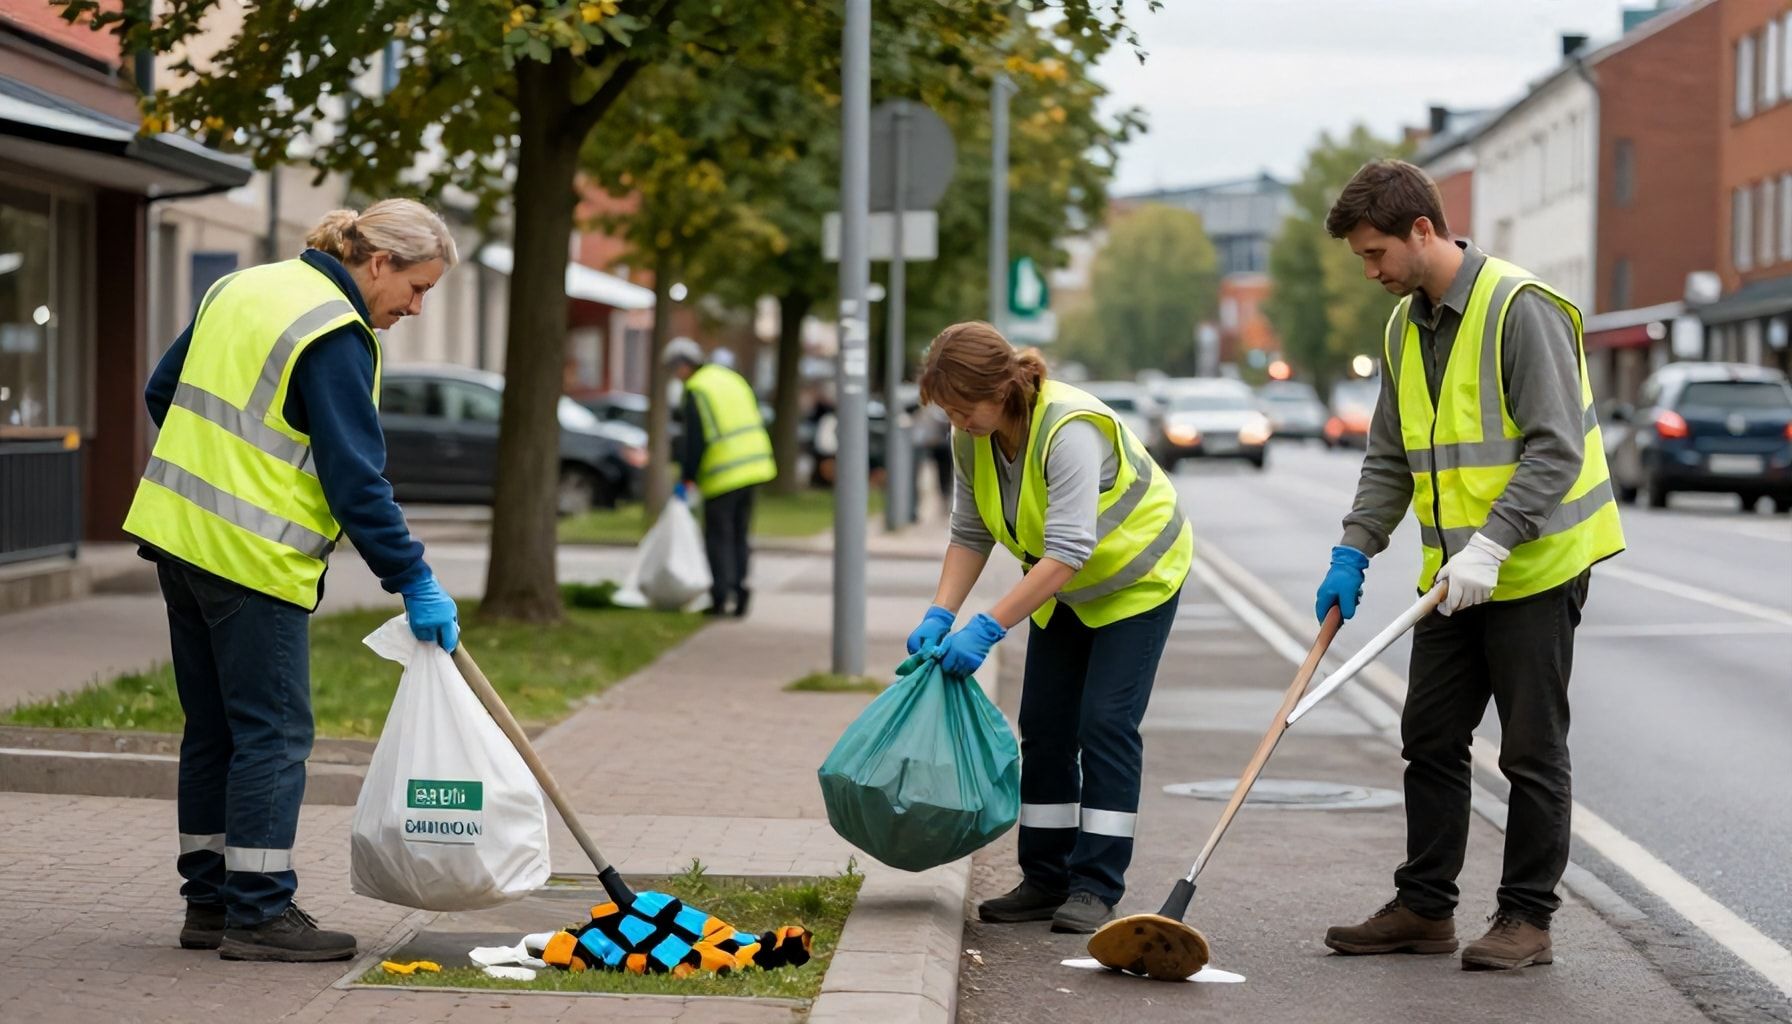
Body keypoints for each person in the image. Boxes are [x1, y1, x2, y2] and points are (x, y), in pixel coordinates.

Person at [123, 199, 462, 963]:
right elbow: (356, 479)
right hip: (253, 559)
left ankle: (209, 904)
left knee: (214, 731)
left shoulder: (244, 288)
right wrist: (412, 578)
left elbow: (161, 389)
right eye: (416, 288)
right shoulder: (334, 332)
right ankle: (260, 912)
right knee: (273, 735)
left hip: (179, 539)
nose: (413, 307)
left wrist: (212, 476)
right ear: (378, 262)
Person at [1314, 160, 1624, 971]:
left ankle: (1527, 921)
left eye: (1376, 253)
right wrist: (1354, 546)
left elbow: (1555, 448)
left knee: (1530, 751)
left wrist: (1493, 544)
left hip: (1535, 567)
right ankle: (1424, 907)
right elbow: (1391, 457)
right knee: (1430, 738)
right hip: (1451, 581)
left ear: (1424, 230)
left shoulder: (1522, 308)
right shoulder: (1401, 327)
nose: (1371, 271)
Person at [907, 322, 1191, 934]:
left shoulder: (1069, 429)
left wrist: (986, 628)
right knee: (1043, 726)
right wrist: (939, 613)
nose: (957, 421)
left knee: (1106, 725)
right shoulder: (971, 439)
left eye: (964, 406)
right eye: (947, 411)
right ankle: (1045, 879)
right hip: (1062, 589)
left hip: (1136, 580)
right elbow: (970, 531)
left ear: (1002, 389)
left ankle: (1096, 886)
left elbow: (1067, 549)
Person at [665, 338, 776, 616]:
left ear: (683, 365)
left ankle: (719, 598)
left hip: (723, 472)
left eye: (674, 369)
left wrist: (687, 477)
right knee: (740, 535)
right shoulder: (731, 378)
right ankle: (740, 594)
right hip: (754, 467)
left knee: (718, 538)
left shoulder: (696, 388)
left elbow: (695, 440)